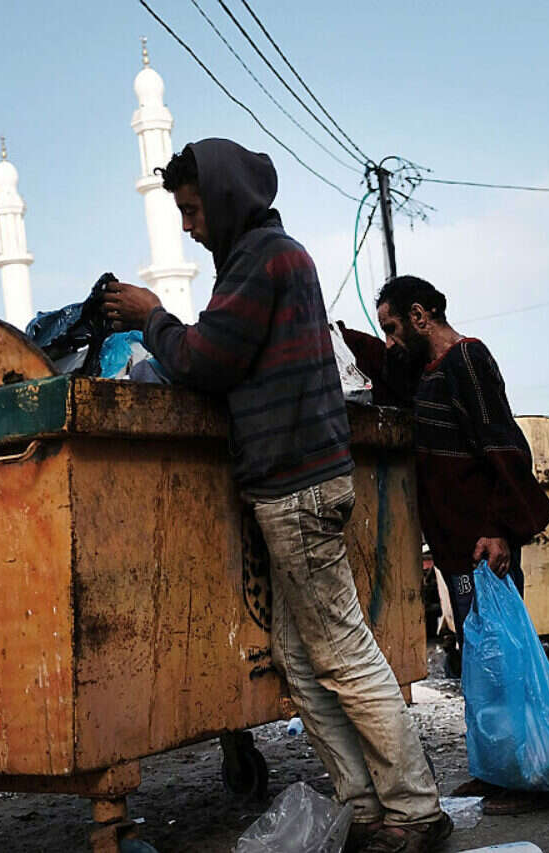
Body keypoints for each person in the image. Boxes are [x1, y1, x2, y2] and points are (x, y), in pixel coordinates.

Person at [101, 140, 450, 853]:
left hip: (295, 488)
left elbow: (204, 359)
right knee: (300, 658)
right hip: (296, 483)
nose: (189, 226)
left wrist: (152, 315)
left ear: (223, 198)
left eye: (193, 210)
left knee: (342, 652)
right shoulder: (268, 257)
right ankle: (364, 807)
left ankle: (414, 810)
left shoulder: (262, 260)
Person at [341, 275, 549, 816]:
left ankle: (536, 781)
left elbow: (503, 444)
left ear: (420, 316)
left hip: (483, 546)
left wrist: (501, 530)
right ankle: (500, 772)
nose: (392, 340)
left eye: (394, 327)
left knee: (503, 663)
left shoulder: (467, 360)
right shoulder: (426, 375)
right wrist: (342, 336)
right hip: (456, 551)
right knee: (482, 666)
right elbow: (385, 368)